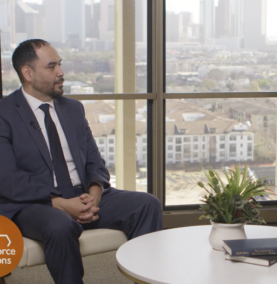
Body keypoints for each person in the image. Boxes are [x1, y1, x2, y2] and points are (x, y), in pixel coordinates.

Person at [0, 39, 163, 284]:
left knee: (147, 204)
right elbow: (8, 179)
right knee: (59, 225)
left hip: (83, 195)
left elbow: (94, 163)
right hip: (34, 203)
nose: (61, 72)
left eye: (60, 65)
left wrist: (94, 195)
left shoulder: (73, 109)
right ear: (28, 73)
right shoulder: (5, 113)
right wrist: (62, 204)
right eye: (52, 66)